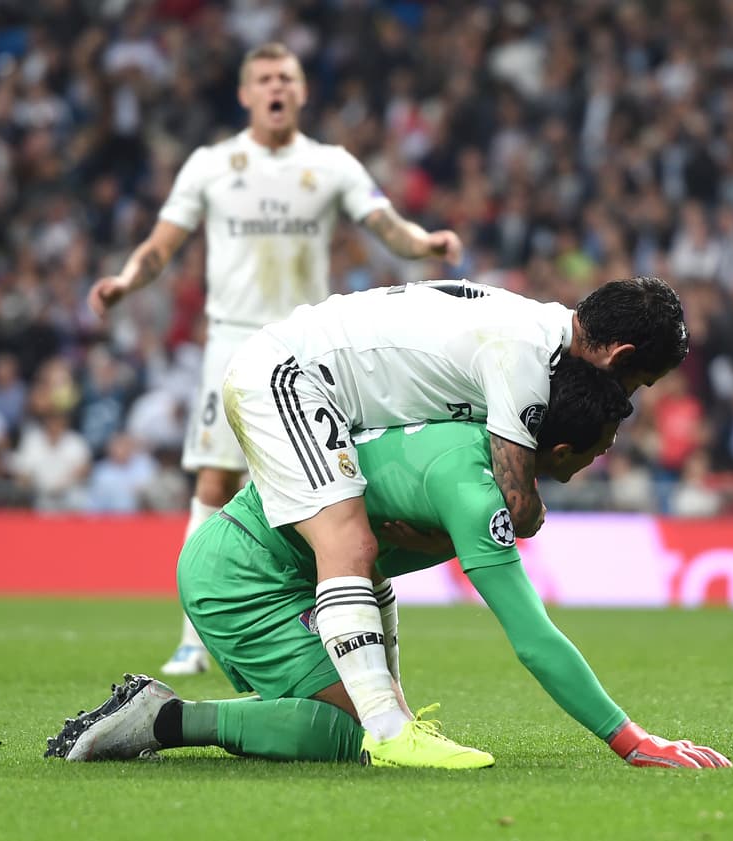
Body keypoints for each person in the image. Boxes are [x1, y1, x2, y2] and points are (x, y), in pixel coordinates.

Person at [44, 358, 730, 771]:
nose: (602, 457)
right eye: (601, 445)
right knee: (350, 734)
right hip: (243, 577)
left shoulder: (473, 434)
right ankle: (160, 719)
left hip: (286, 565)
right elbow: (533, 637)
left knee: (364, 717)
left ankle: (325, 714)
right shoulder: (473, 491)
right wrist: (630, 739)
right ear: (559, 447)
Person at [85, 43, 463, 676]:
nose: (275, 87)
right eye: (263, 79)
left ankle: (327, 619)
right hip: (232, 341)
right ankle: (193, 639)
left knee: (332, 485)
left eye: (285, 77)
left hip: (308, 348)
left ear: (302, 91)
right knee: (215, 481)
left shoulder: (331, 164)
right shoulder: (211, 165)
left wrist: (426, 242)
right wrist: (126, 281)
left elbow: (384, 223)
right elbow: (162, 244)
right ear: (245, 94)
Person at [219, 275, 687, 754]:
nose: (627, 398)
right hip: (289, 376)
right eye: (638, 383)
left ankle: (393, 719)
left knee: (365, 550)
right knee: (349, 544)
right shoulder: (524, 359)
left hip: (310, 375)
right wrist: (525, 515)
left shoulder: (536, 327)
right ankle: (389, 731)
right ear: (621, 356)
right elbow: (516, 506)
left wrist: (450, 533)